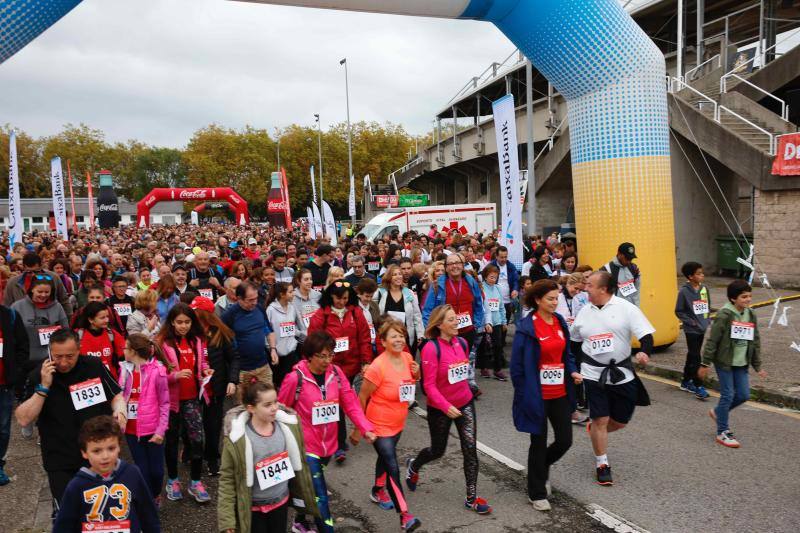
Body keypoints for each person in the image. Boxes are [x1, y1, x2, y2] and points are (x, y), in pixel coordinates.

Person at [15, 329, 125, 511]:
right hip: (60, 457)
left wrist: (120, 412)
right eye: (58, 357)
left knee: (102, 511)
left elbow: (116, 396)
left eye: (70, 356)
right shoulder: (39, 374)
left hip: (97, 454)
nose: (63, 362)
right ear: (50, 351)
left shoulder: (93, 366)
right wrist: (44, 387)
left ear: (79, 349)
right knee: (69, 512)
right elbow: (23, 418)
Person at [278, 331, 376, 533]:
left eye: (330, 355)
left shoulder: (337, 374)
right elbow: (280, 411)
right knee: (320, 496)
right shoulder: (294, 379)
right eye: (322, 356)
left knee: (309, 488)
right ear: (309, 355)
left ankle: (300, 520)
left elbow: (351, 404)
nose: (327, 360)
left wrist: (365, 428)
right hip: (304, 446)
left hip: (328, 446)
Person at [569, 271, 654, 486]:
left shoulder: (626, 308)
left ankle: (596, 431)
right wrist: (574, 368)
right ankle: (602, 463)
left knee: (619, 422)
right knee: (600, 419)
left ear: (603, 289)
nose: (584, 288)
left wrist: (645, 351)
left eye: (589, 285)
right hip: (592, 375)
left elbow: (646, 334)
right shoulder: (584, 312)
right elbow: (575, 342)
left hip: (621, 374)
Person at [405, 305, 491, 515]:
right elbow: (429, 386)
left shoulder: (461, 342)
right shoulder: (430, 348)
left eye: (457, 319)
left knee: (470, 449)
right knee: (438, 450)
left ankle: (471, 498)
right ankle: (414, 465)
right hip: (440, 408)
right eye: (452, 320)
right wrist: (446, 406)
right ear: (440, 324)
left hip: (464, 402)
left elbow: (463, 373)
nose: (457, 323)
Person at [510, 280, 582, 511]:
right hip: (536, 394)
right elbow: (517, 368)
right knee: (538, 443)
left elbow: (567, 353)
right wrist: (524, 394)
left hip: (560, 391)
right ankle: (536, 492)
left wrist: (572, 370)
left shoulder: (560, 321)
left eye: (556, 298)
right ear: (538, 300)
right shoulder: (526, 327)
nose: (555, 302)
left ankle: (540, 469)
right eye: (550, 298)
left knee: (565, 440)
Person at [354, 320, 421, 531]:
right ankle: (404, 515)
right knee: (392, 467)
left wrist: (417, 373)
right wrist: (360, 428)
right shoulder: (377, 366)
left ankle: (377, 490)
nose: (399, 339)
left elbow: (409, 387)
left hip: (398, 421)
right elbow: (362, 397)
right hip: (379, 424)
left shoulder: (408, 358)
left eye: (401, 334)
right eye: (394, 336)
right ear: (383, 342)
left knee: (384, 460)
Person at [218, 380, 306, 533]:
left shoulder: (286, 428)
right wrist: (227, 520)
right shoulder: (237, 439)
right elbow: (227, 478)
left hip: (281, 503)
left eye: (275, 402)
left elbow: (299, 463)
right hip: (253, 508)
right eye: (267, 405)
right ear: (251, 408)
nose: (274, 408)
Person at [53, 415, 160, 532]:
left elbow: (149, 516)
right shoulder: (76, 486)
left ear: (119, 447)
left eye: (111, 448)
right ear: (84, 453)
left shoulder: (132, 474)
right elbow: (63, 526)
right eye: (97, 451)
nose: (105, 456)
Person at [307, 280, 372, 464]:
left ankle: (352, 434)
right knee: (336, 404)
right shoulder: (321, 315)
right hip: (330, 368)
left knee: (350, 401)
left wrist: (366, 361)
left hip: (352, 365)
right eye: (338, 298)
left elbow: (364, 338)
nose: (341, 302)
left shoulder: (355, 312)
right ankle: (340, 445)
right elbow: (313, 341)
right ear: (330, 297)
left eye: (345, 298)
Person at [699, 279, 766, 448]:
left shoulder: (751, 314)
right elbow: (713, 341)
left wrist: (757, 366)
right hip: (725, 362)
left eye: (750, 296)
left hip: (742, 362)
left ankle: (718, 412)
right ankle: (723, 432)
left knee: (743, 395)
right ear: (733, 298)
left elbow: (755, 340)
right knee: (728, 395)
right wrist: (705, 363)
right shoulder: (724, 315)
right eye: (744, 297)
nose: (748, 299)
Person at [158, 303, 214, 503]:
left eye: (187, 322)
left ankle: (196, 482)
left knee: (197, 439)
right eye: (179, 322)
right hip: (170, 401)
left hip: (192, 399)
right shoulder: (162, 343)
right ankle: (172, 480)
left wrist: (206, 370)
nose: (183, 326)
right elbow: (157, 374)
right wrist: (175, 375)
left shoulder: (197, 340)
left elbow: (203, 362)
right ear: (172, 322)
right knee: (171, 441)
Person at [118, 333, 171, 505]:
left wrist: (161, 430)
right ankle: (148, 503)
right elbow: (120, 396)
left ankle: (155, 494)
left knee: (156, 471)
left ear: (133, 351)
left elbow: (164, 403)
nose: (123, 350)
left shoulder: (158, 371)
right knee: (142, 470)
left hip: (153, 431)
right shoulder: (124, 370)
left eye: (125, 348)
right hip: (132, 431)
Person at [191, 296, 240, 475]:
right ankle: (193, 453)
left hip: (215, 388)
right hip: (193, 389)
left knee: (213, 426)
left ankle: (213, 458)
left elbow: (234, 358)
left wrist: (232, 380)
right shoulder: (188, 332)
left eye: (195, 312)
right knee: (193, 426)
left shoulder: (219, 333)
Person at [422, 252, 486, 350]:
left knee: (465, 361)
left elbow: (478, 305)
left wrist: (476, 325)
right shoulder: (437, 285)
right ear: (446, 268)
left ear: (462, 265)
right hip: (446, 335)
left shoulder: (471, 282)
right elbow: (427, 311)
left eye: (457, 263)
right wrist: (432, 332)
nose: (454, 266)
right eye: (451, 264)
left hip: (468, 332)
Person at [11, 276, 70, 375]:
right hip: (25, 360)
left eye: (47, 292)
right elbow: (10, 333)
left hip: (51, 360)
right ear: (32, 290)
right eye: (40, 292)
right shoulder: (17, 307)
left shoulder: (57, 306)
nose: (43, 295)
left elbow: (66, 331)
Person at [222, 281, 277, 387]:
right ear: (239, 298)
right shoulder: (229, 315)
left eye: (256, 298)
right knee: (244, 402)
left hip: (263, 365)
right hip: (242, 370)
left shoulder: (259, 308)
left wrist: (273, 349)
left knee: (268, 397)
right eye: (250, 300)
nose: (255, 302)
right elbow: (224, 344)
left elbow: (268, 330)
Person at [0, 300, 30, 485]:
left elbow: (22, 346)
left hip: (4, 385)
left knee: (3, 429)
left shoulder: (9, 315)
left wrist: (16, 372)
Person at [674, 262, 711, 400]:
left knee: (692, 355)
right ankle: (698, 386)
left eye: (702, 273)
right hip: (691, 329)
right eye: (699, 273)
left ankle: (685, 381)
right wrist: (691, 322)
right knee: (696, 357)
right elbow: (679, 311)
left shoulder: (704, 289)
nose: (702, 275)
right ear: (690, 276)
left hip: (702, 327)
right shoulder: (684, 291)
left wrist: (706, 320)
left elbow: (707, 306)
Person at [3, 251, 73, 315]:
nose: (33, 275)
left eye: (36, 271)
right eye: (29, 272)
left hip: (50, 321)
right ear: (24, 268)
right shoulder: (13, 283)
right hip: (23, 323)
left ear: (41, 266)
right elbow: (7, 307)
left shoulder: (54, 278)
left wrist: (68, 319)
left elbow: (64, 300)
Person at [374, 265, 424, 353]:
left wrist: (420, 334)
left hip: (406, 336)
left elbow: (417, 315)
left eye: (400, 274)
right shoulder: (380, 293)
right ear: (389, 277)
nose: (398, 276)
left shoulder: (409, 293)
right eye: (394, 274)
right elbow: (375, 315)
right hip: (387, 336)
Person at [76, 301, 127, 380]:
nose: (107, 320)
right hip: (88, 382)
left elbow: (125, 356)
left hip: (111, 381)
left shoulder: (112, 334)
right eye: (102, 318)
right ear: (90, 319)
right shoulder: (78, 336)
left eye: (107, 316)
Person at [266, 282, 303, 388]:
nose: (294, 294)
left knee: (295, 383)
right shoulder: (271, 309)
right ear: (282, 294)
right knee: (281, 385)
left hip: (292, 352)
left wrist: (301, 335)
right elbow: (267, 331)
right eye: (290, 292)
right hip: (277, 355)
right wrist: (271, 349)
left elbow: (296, 327)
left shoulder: (292, 307)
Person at [479, 264, 507, 380]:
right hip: (485, 322)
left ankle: (497, 369)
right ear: (485, 276)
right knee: (484, 345)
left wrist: (504, 321)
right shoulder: (481, 288)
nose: (493, 279)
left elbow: (501, 306)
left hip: (497, 321)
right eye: (491, 277)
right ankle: (484, 367)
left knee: (498, 346)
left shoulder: (498, 288)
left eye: (495, 277)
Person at [601, 242, 641, 307]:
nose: (629, 261)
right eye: (627, 258)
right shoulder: (606, 269)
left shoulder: (634, 269)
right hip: (613, 310)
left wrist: (637, 308)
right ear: (619, 254)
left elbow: (637, 291)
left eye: (631, 259)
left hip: (630, 309)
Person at [490, 246, 519, 324]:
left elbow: (516, 280)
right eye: (501, 257)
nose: (504, 259)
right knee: (495, 324)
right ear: (496, 256)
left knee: (505, 324)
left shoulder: (511, 266)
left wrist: (515, 289)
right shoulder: (491, 266)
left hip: (507, 301)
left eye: (505, 257)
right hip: (494, 301)